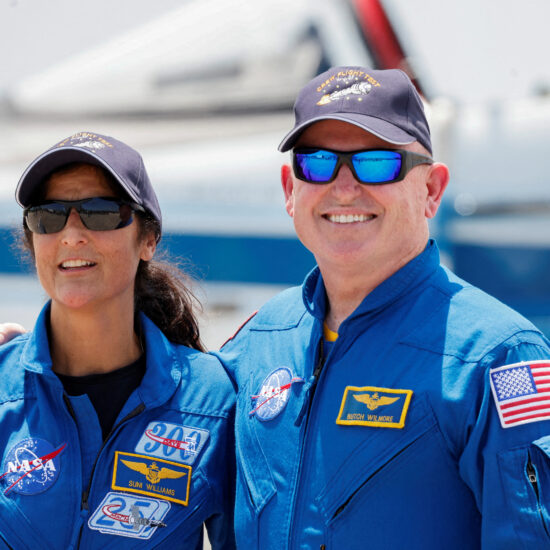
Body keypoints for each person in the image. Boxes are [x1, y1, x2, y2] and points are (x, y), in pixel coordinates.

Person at [215, 67, 550, 549]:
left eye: (377, 164)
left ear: (432, 189)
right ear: (291, 190)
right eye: (318, 164)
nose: (345, 187)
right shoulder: (255, 346)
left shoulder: (498, 358)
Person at [0, 132, 235, 549]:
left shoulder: (213, 403)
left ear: (148, 239)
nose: (71, 235)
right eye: (48, 216)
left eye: (101, 212)